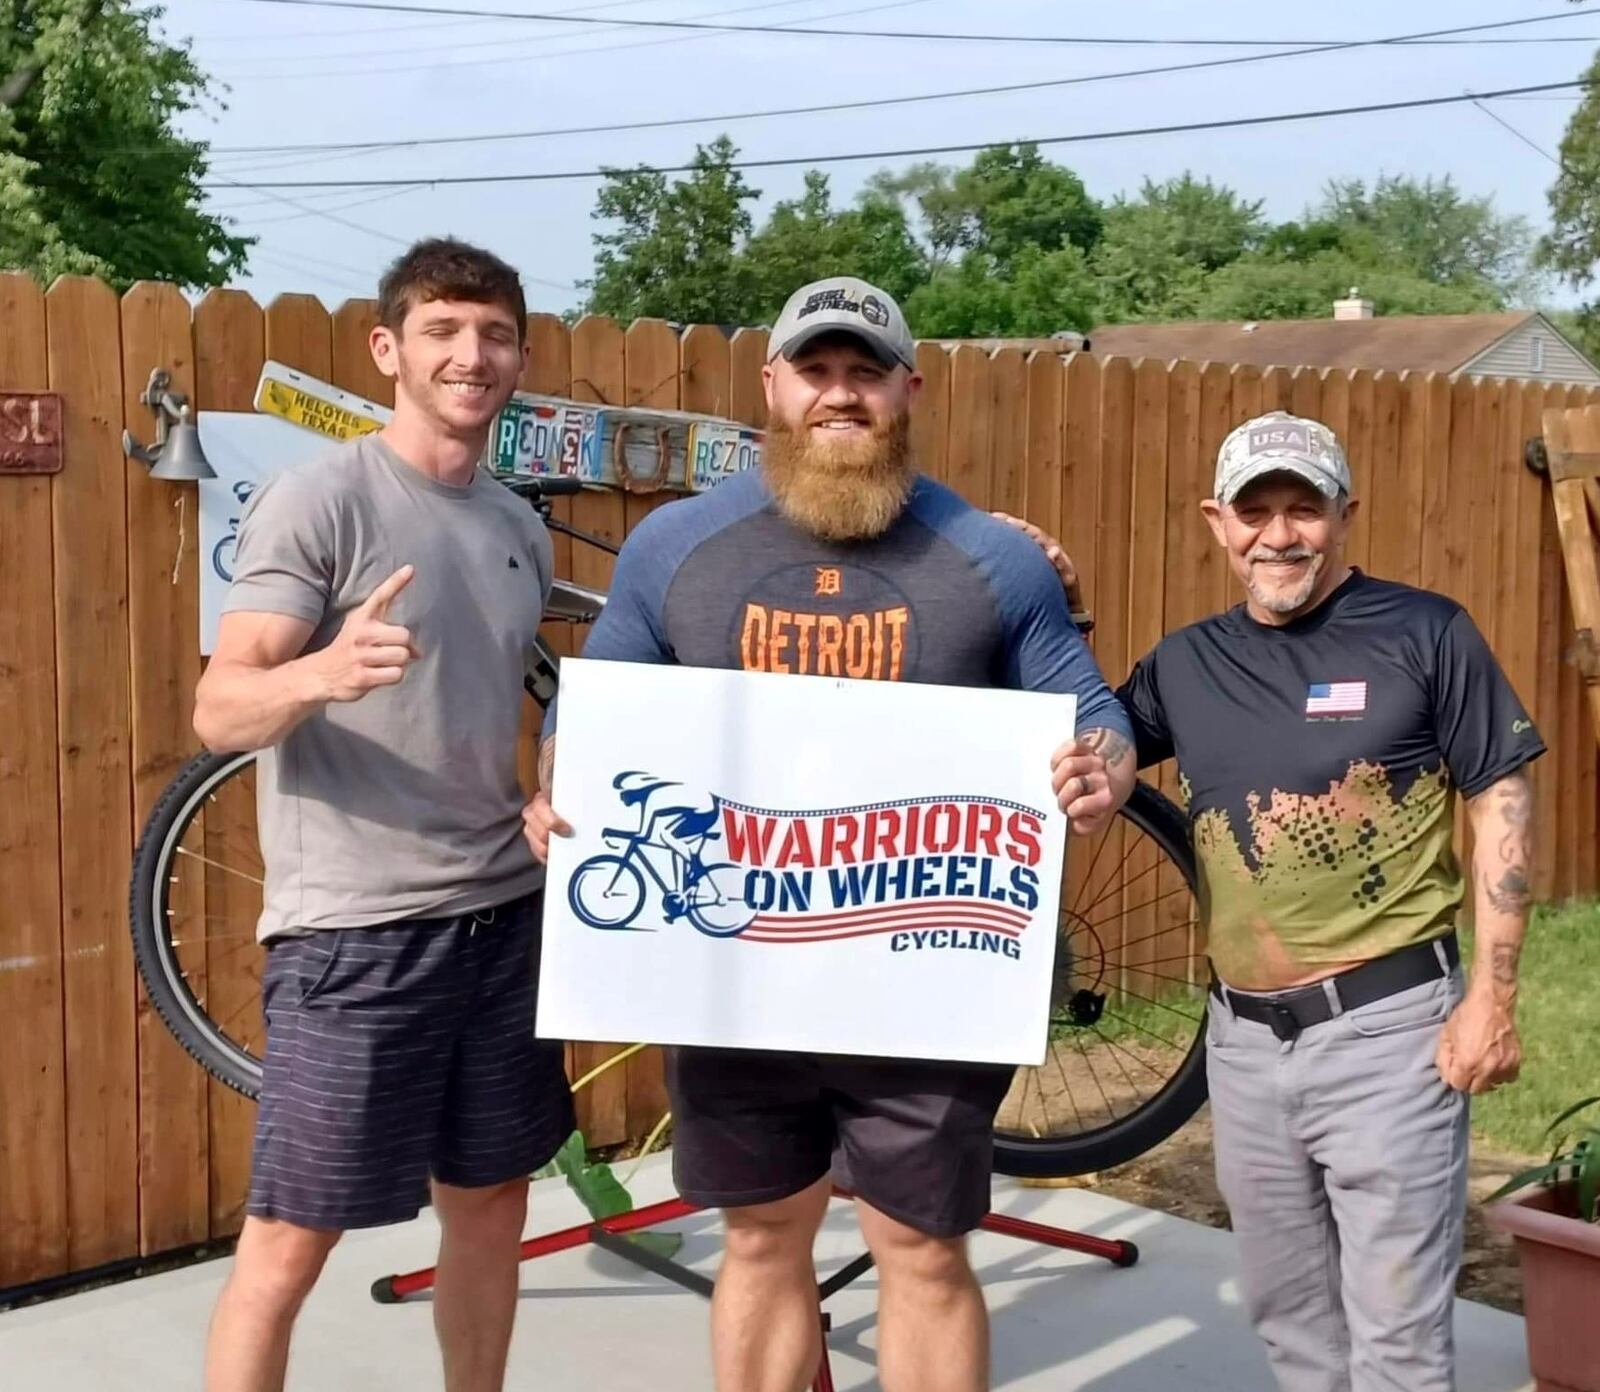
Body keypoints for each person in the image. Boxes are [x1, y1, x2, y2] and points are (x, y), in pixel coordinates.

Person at [524, 275, 1137, 1392]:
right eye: (816, 371)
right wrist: (563, 781)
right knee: (760, 1238)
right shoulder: (676, 546)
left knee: (920, 1246)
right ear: (772, 387)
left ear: (908, 389)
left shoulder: (987, 556)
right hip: (732, 974)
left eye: (866, 374)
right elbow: (594, 701)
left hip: (921, 973)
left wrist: (1102, 770)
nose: (840, 396)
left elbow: (1093, 713)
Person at [1002, 409, 1541, 1392]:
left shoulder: (1425, 633)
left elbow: (1501, 798)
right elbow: (1103, 749)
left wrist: (1490, 1002)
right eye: (1256, 511)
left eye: (1305, 509)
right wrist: (1061, 612)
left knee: (1397, 1340)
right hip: (1243, 1046)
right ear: (1217, 521)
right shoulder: (1186, 662)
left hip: (1387, 1032)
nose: (1279, 534)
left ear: (1344, 516)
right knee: (1288, 1320)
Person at [192, 238, 573, 1392]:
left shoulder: (516, 523)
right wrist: (322, 670)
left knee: (492, 1207)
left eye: (495, 334)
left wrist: (554, 775)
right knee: (289, 1242)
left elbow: (534, 686)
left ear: (517, 355)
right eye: (444, 331)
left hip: (503, 925)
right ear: (389, 349)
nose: (472, 355)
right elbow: (218, 709)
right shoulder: (321, 500)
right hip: (356, 938)